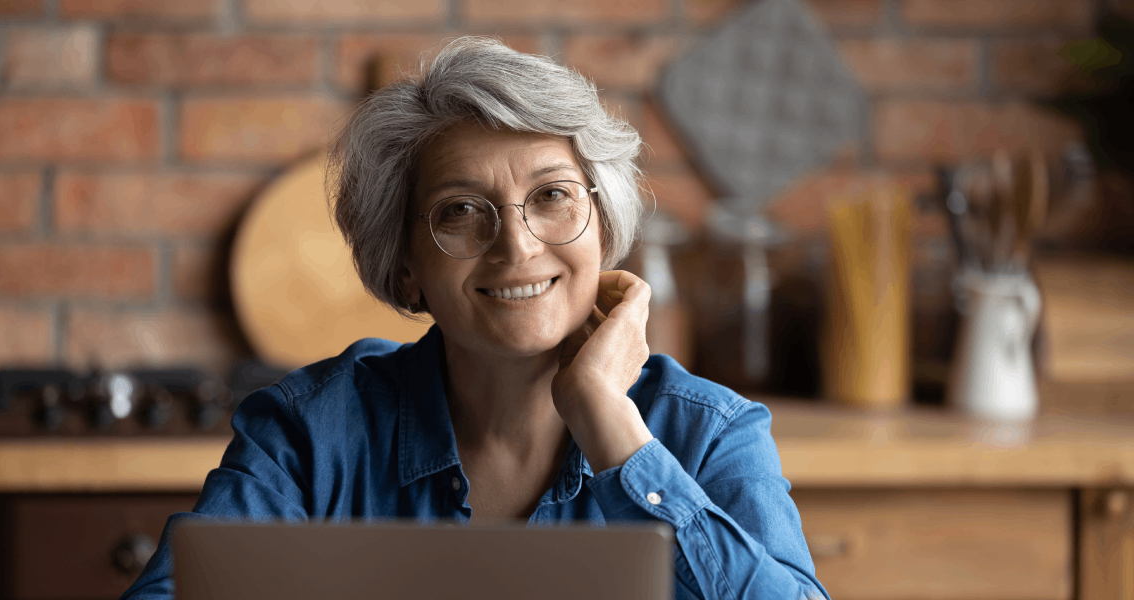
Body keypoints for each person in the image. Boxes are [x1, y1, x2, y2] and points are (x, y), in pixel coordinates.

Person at [121, 37, 828, 600]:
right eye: (460, 211)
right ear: (406, 267)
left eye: (553, 196)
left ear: (604, 225)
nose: (517, 245)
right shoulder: (310, 433)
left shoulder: (710, 435)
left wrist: (611, 428)